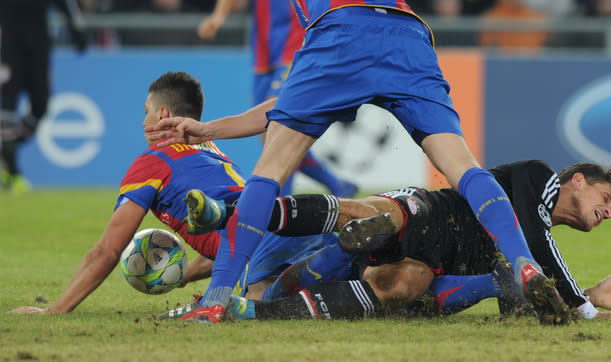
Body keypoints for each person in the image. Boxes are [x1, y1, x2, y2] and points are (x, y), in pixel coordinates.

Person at [147, 0, 566, 324]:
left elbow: (285, 109)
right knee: (465, 167)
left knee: (270, 170)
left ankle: (216, 299)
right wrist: (210, 129)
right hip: (409, 33)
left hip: (340, 25)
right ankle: (522, 262)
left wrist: (218, 18)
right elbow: (284, 104)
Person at [9, 71, 337, 314]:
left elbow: (107, 251)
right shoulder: (211, 148)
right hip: (289, 223)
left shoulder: (152, 163)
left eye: (146, 111)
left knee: (259, 307)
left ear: (163, 115)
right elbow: (228, 243)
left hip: (260, 252)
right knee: (351, 276)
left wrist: (54, 311)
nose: (142, 122)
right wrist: (181, 277)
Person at [170, 160, 611, 323]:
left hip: (447, 261)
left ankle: (255, 311)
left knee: (402, 285)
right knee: (367, 213)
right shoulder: (536, 178)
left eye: (610, 215)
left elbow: (540, 277)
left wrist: (586, 297)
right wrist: (585, 304)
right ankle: (230, 212)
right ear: (577, 181)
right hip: (436, 212)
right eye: (605, 199)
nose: (606, 214)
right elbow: (540, 250)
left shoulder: (538, 240)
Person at [197, 0, 357, 198]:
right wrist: (219, 16)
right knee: (273, 135)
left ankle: (279, 202)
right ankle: (337, 185)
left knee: (279, 127)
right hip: (264, 57)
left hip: (296, 49)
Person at [0, 0, 87, 194]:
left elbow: (65, 3)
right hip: (7, 44)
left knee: (41, 106)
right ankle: (12, 171)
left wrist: (75, 29)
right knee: (7, 105)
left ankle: (8, 147)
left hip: (38, 44)